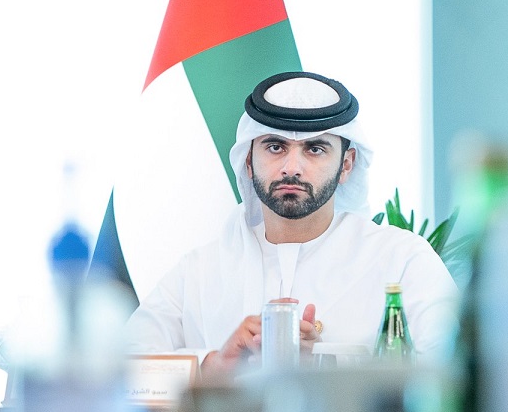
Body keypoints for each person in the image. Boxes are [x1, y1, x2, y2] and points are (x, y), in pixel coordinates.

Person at [126, 71, 458, 373]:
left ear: (346, 165)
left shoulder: (401, 260)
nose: (291, 168)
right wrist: (215, 363)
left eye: (315, 149)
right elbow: (123, 368)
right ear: (249, 162)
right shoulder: (199, 272)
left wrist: (327, 362)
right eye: (275, 147)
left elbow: (453, 372)